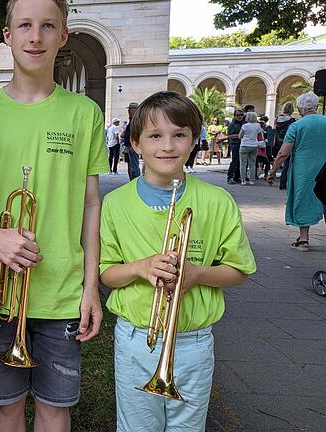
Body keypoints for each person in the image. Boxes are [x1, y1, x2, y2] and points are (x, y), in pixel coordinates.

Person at [0, 0, 107, 430]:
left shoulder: (84, 113)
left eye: (48, 26)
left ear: (63, 36)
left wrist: (91, 286)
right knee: (6, 407)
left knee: (55, 407)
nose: (35, 36)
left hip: (62, 291)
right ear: (7, 36)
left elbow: (90, 203)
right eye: (24, 25)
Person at [99, 91, 256, 432]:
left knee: (188, 426)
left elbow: (240, 270)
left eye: (179, 134)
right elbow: (108, 274)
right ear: (136, 144)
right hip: (135, 338)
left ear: (194, 141)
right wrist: (140, 267)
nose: (167, 146)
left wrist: (197, 274)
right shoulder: (115, 204)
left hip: (193, 342)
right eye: (155, 136)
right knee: (136, 426)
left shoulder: (217, 201)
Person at [267, 92, 326, 252]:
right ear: (316, 106)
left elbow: (283, 153)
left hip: (304, 170)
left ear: (300, 108)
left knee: (303, 199)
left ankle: (304, 240)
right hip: (325, 167)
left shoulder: (297, 126)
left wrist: (272, 172)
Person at [273, 103, 296, 190]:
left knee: (278, 161)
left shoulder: (277, 119)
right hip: (287, 142)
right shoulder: (292, 121)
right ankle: (284, 183)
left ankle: (276, 178)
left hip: (278, 142)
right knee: (287, 164)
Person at [238, 111, 263, 185]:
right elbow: (259, 134)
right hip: (254, 146)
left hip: (244, 145)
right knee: (252, 164)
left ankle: (243, 180)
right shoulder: (258, 125)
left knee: (243, 164)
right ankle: (252, 180)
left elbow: (240, 136)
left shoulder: (244, 126)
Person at [121, 102, 141, 179]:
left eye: (130, 109)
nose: (128, 111)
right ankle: (132, 180)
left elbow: (136, 132)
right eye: (129, 109)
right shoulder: (132, 119)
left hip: (132, 145)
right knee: (130, 164)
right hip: (128, 145)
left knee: (134, 165)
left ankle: (135, 180)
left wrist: (134, 145)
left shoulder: (136, 120)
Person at [225, 109, 245, 184]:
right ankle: (230, 177)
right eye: (237, 115)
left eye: (241, 115)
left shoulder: (244, 123)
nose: (240, 117)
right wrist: (240, 135)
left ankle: (237, 177)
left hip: (243, 144)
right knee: (235, 161)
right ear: (234, 116)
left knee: (240, 162)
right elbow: (229, 136)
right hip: (235, 144)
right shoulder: (232, 124)